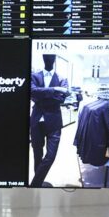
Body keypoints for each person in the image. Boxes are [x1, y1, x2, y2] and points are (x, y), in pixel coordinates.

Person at [30, 54, 69, 188]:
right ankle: (39, 184)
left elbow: (62, 99)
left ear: (54, 59)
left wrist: (41, 96)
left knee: (51, 155)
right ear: (43, 59)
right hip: (36, 121)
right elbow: (32, 92)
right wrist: (55, 89)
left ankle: (35, 183)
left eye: (51, 57)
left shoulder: (62, 78)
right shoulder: (34, 76)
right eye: (46, 57)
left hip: (54, 122)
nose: (49, 59)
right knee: (37, 154)